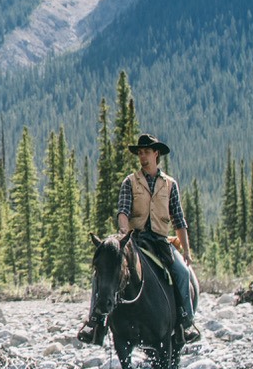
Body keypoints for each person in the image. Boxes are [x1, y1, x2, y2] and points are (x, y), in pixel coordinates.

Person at [78, 133, 200, 344]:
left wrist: (186, 251)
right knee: (103, 272)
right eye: (140, 153)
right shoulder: (130, 182)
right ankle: (96, 323)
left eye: (146, 152)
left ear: (156, 154)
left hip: (161, 241)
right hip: (136, 240)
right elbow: (123, 211)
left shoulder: (169, 184)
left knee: (182, 272)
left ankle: (186, 322)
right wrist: (124, 233)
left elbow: (178, 219)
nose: (142, 157)